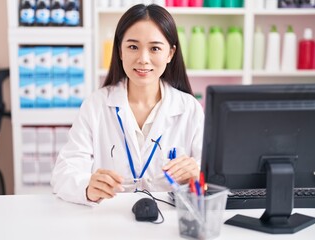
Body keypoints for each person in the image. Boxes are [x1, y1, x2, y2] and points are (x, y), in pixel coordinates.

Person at [51, 4, 204, 205]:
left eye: (155, 48)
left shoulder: (189, 108)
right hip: (109, 222)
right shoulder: (96, 105)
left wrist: (196, 176)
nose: (143, 59)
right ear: (120, 51)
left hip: (170, 224)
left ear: (170, 54)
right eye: (133, 47)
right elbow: (64, 173)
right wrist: (87, 187)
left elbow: (214, 178)